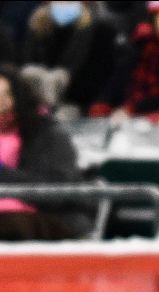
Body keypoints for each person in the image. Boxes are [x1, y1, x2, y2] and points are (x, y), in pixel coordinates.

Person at [0, 64, 92, 240]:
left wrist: (3, 174)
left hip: (52, 217)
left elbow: (56, 192)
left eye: (7, 94)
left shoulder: (47, 134)